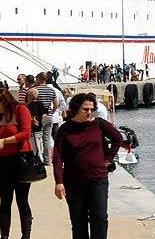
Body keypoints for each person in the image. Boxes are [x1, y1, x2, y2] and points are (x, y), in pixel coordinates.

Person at [53, 93, 123, 239]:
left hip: (97, 179)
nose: (89, 112)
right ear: (76, 108)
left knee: (100, 218)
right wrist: (59, 182)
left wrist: (108, 159)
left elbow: (118, 138)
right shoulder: (65, 129)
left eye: (91, 109)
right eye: (85, 109)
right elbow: (58, 157)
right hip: (73, 182)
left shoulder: (99, 124)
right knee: (78, 222)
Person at [0, 88, 34, 239]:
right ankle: (4, 236)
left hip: (21, 159)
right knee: (5, 200)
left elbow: (26, 133)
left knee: (22, 199)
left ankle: (26, 235)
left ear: (5, 100)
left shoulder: (21, 109)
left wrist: (5, 141)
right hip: (5, 161)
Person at [34, 72, 58, 165]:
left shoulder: (35, 90)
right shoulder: (51, 90)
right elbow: (56, 103)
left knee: (37, 138)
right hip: (49, 115)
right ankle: (47, 160)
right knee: (47, 138)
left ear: (40, 79)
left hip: (38, 116)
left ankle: (38, 159)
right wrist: (52, 112)